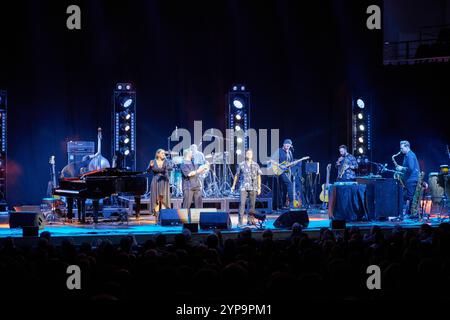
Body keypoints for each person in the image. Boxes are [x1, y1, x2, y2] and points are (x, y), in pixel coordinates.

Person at [231, 149, 262, 227]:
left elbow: (259, 176)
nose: (249, 154)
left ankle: (250, 220)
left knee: (252, 205)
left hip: (253, 187)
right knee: (242, 204)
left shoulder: (255, 164)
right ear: (245, 155)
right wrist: (233, 186)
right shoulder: (241, 164)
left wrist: (259, 187)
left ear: (252, 155)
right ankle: (240, 222)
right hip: (243, 186)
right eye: (247, 153)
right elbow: (237, 175)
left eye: (250, 153)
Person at [395, 140, 420, 215]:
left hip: (411, 180)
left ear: (407, 147)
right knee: (410, 197)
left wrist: (401, 168)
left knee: (410, 197)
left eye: (402, 148)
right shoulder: (408, 155)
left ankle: (412, 214)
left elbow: (411, 168)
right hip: (410, 179)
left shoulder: (409, 155)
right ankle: (410, 214)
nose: (401, 150)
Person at [147, 149, 172, 215]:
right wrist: (150, 166)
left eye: (164, 153)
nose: (164, 154)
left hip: (164, 180)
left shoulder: (166, 161)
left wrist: (167, 166)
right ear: (158, 154)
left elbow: (170, 168)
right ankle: (156, 211)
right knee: (155, 195)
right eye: (162, 153)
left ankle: (164, 211)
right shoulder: (153, 161)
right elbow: (148, 171)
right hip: (155, 180)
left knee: (164, 196)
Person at [271, 139, 294, 208]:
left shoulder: (289, 152)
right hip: (280, 171)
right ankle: (291, 202)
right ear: (283, 144)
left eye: (289, 146)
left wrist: (291, 164)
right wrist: (280, 165)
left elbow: (291, 162)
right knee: (290, 184)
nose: (287, 147)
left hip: (287, 171)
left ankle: (283, 204)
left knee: (285, 188)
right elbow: (272, 160)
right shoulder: (279, 151)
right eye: (286, 145)